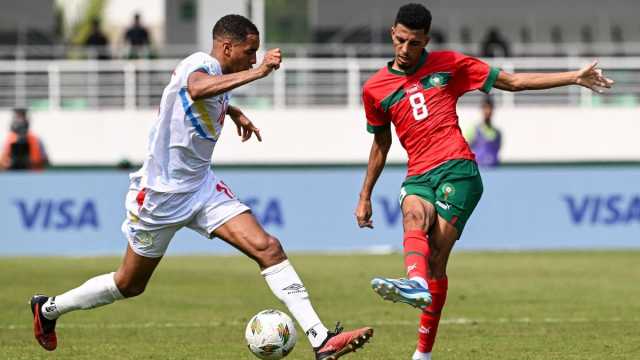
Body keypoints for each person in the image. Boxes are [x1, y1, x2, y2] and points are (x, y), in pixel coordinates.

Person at [30, 14, 373, 359]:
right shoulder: (200, 63)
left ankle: (321, 339)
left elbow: (197, 97)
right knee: (129, 284)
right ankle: (48, 310)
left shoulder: (217, 76)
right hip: (160, 196)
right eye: (249, 51)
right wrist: (258, 73)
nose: (253, 58)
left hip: (201, 188)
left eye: (256, 54)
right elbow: (196, 88)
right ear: (227, 47)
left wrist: (234, 110)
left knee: (268, 247)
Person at [355, 4, 613, 360]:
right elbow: (381, 143)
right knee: (414, 216)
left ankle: (422, 349)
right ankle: (415, 286)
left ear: (426, 40)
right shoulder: (374, 89)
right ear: (392, 34)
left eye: (414, 43)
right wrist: (365, 194)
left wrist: (573, 76)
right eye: (400, 40)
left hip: (458, 169)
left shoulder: (450, 64)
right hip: (418, 173)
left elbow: (514, 82)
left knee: (436, 264)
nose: (405, 49)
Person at [467, 96, 501, 167]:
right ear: (482, 109)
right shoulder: (473, 130)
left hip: (495, 172)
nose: (488, 111)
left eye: (490, 108)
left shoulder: (498, 133)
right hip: (479, 171)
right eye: (485, 108)